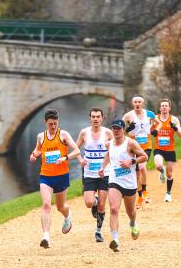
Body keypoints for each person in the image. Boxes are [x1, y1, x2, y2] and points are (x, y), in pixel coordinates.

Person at [30, 109, 80, 248]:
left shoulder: (63, 134)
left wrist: (65, 158)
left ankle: (67, 215)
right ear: (45, 122)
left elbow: (77, 151)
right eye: (51, 124)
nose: (53, 127)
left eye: (55, 124)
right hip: (46, 176)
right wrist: (34, 155)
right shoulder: (41, 136)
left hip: (61, 176)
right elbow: (39, 149)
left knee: (60, 207)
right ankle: (46, 236)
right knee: (46, 204)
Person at [98, 119, 148, 252]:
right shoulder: (109, 144)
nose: (116, 131)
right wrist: (103, 167)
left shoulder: (130, 143)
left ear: (123, 129)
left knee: (130, 212)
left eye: (118, 128)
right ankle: (115, 240)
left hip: (130, 183)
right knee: (113, 209)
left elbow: (144, 156)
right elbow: (109, 155)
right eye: (114, 128)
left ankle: (133, 223)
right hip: (115, 181)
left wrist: (131, 161)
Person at [76, 107, 114, 242]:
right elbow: (75, 149)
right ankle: (95, 203)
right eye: (93, 117)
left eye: (98, 116)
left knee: (103, 205)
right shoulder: (84, 133)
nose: (96, 119)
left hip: (105, 173)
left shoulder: (108, 133)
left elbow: (114, 151)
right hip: (89, 173)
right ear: (90, 118)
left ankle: (98, 231)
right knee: (89, 202)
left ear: (102, 118)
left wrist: (104, 166)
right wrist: (81, 160)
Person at [122, 95, 159, 209]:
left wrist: (155, 129)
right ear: (133, 104)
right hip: (133, 147)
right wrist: (128, 128)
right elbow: (120, 129)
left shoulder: (149, 114)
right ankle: (140, 196)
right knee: (136, 174)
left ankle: (145, 191)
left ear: (142, 104)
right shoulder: (128, 115)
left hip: (146, 146)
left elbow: (159, 122)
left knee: (142, 167)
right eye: (135, 102)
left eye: (139, 102)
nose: (137, 104)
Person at [151, 99, 181, 202]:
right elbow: (149, 131)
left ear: (169, 108)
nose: (164, 107)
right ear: (160, 108)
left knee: (169, 174)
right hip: (158, 149)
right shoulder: (155, 118)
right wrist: (153, 131)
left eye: (166, 105)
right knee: (159, 165)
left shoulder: (174, 120)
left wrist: (176, 128)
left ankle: (168, 193)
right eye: (162, 106)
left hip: (170, 150)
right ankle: (161, 171)